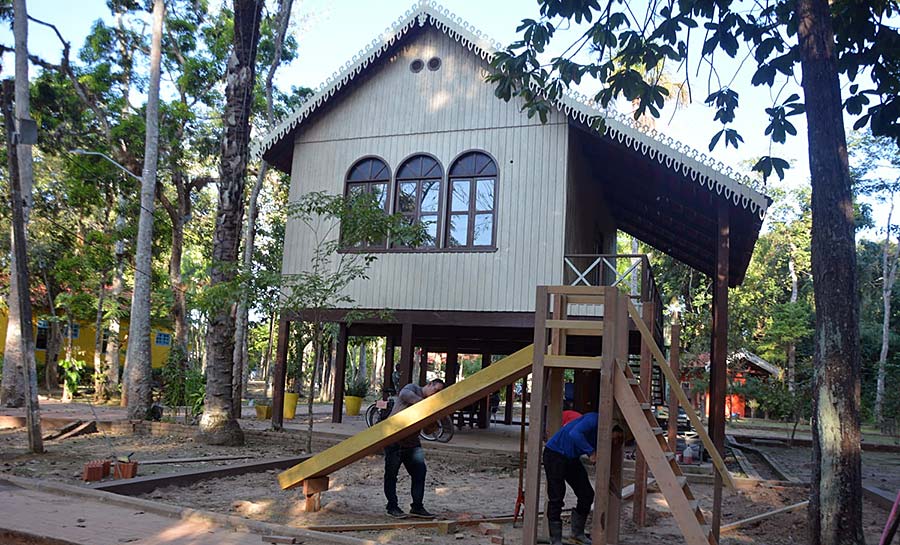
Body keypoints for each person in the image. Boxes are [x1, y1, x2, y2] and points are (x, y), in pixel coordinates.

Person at [383, 378, 445, 519]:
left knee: (420, 473)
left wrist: (433, 420)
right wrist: (426, 406)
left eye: (440, 393)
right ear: (429, 384)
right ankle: (392, 506)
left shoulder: (430, 405)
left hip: (412, 443)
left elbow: (428, 431)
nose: (436, 395)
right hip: (394, 440)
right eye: (436, 390)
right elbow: (404, 394)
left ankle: (417, 507)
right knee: (391, 475)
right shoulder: (413, 388)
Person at [543, 411, 598, 545]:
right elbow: (574, 434)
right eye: (616, 438)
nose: (616, 441)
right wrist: (591, 452)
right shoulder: (594, 419)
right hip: (554, 454)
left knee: (587, 494)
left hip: (571, 458)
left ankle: (577, 533)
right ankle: (555, 540)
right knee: (556, 497)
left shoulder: (605, 433)